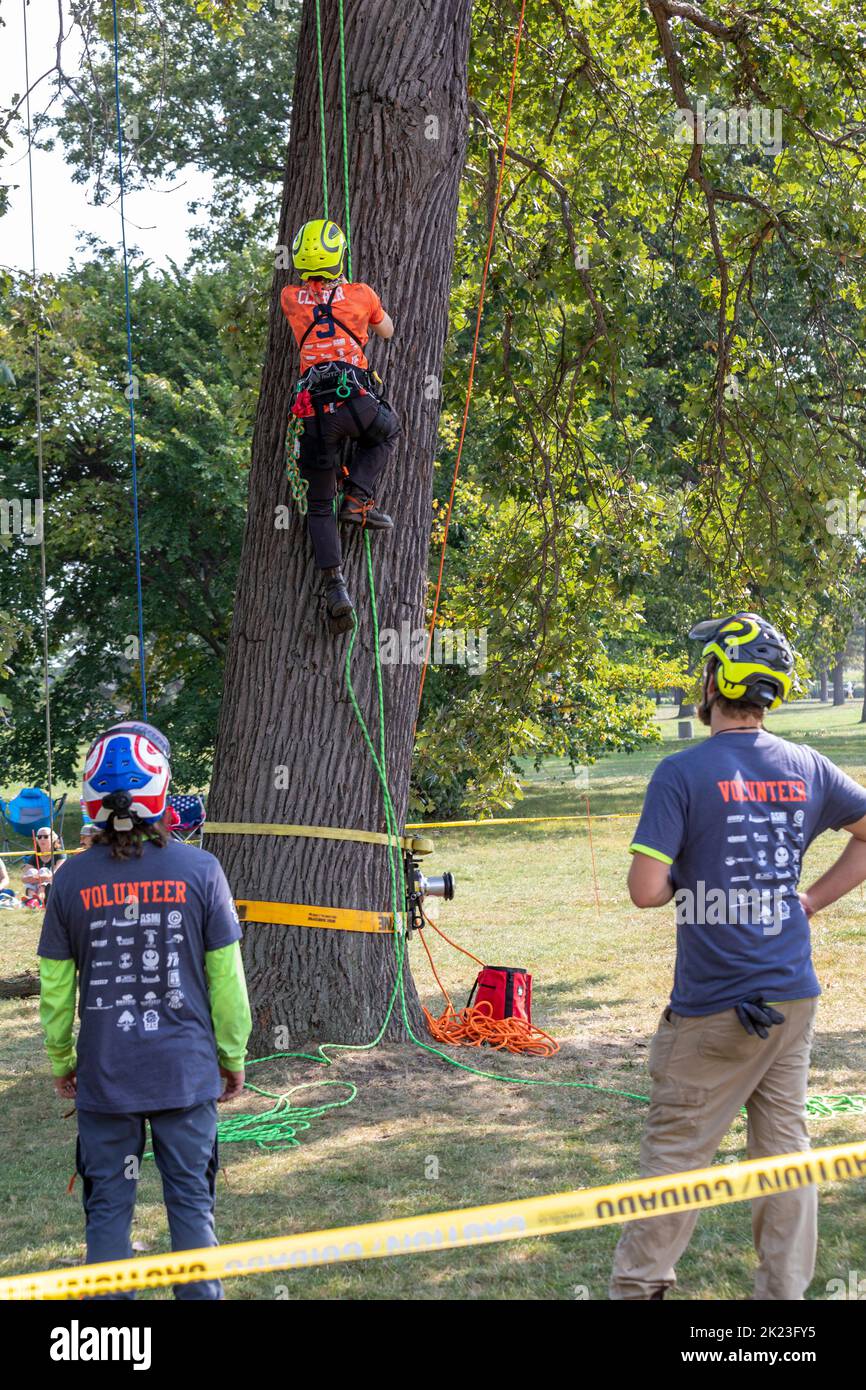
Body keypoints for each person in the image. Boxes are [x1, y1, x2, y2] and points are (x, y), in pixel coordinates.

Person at [610, 612, 866, 1301]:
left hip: (714, 1005)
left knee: (676, 1157)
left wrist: (689, 873)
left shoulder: (681, 771)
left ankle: (638, 1291)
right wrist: (808, 901)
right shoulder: (807, 765)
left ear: (715, 682)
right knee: (785, 1154)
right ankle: (782, 1302)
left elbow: (645, 891)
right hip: (792, 992)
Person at [37, 720, 252, 1300]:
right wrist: (231, 1056)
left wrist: (62, 1060)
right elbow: (227, 981)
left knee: (108, 1207)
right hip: (185, 1071)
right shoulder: (201, 870)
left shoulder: (68, 879)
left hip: (106, 1075)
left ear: (92, 797)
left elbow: (56, 989)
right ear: (161, 789)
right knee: (192, 1203)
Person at [280, 218, 400, 633]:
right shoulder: (361, 294)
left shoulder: (289, 298)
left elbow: (310, 297)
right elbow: (387, 330)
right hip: (355, 403)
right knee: (387, 431)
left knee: (318, 504)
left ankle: (336, 589)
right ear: (339, 257)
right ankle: (358, 498)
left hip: (313, 413)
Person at [22, 828, 66, 907]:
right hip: (37, 886)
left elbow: (55, 874)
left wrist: (39, 878)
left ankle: (38, 898)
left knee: (44, 870)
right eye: (39, 837)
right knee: (32, 871)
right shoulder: (35, 856)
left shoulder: (60, 854)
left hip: (55, 888)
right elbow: (24, 878)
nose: (42, 839)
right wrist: (34, 877)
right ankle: (33, 898)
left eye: (45, 836)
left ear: (53, 838)